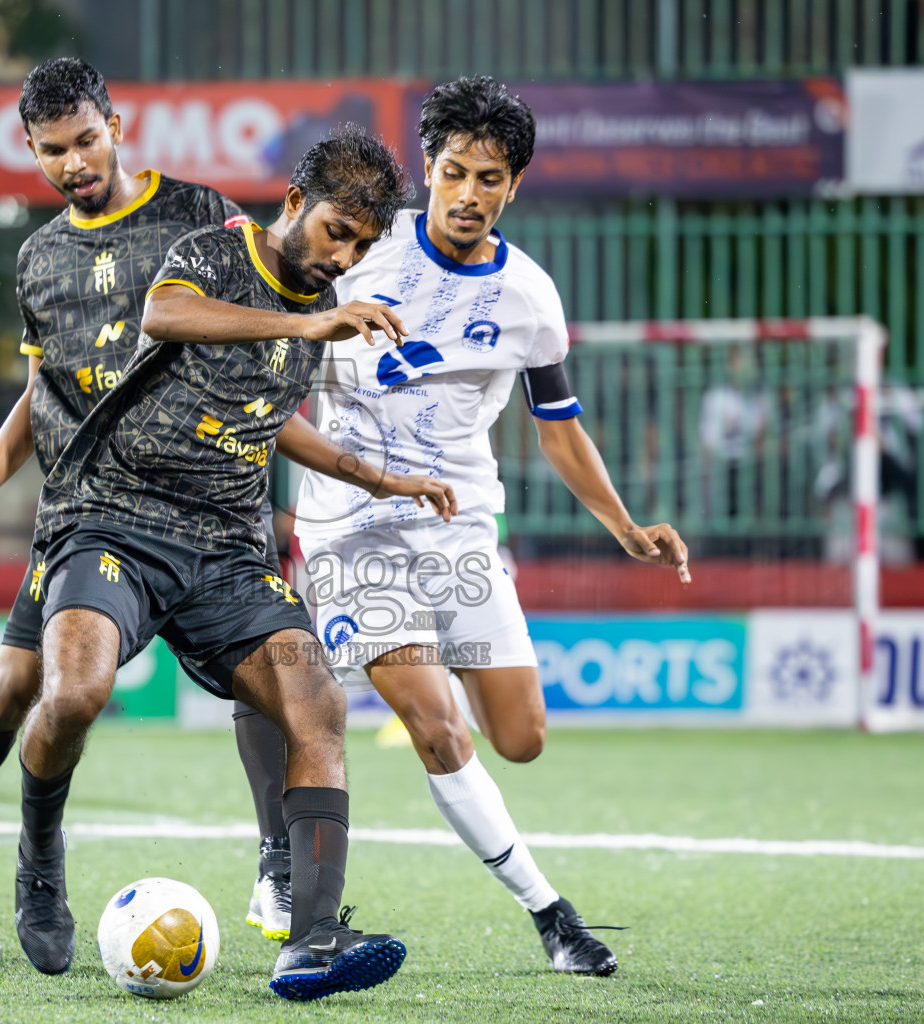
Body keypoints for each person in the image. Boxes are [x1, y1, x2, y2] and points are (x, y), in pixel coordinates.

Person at [0, 61, 449, 985]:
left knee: (302, 692)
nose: (73, 161)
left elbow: (254, 385)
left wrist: (371, 468)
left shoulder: (201, 219)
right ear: (31, 150)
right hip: (94, 504)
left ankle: (294, 897)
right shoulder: (40, 258)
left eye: (86, 140)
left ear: (117, 126)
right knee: (29, 695)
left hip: (218, 525)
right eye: (53, 150)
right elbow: (42, 394)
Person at [292, 77, 690, 977]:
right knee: (441, 728)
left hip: (460, 529)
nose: (470, 193)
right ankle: (553, 918)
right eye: (455, 172)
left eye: (492, 177)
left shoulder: (530, 299)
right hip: (349, 527)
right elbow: (279, 331)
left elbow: (562, 427)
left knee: (521, 738)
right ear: (426, 169)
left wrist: (624, 525)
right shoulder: (361, 248)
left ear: (516, 186)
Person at [13, 126, 414, 1000]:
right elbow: (166, 314)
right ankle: (40, 852)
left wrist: (375, 475)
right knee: (75, 693)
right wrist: (312, 318)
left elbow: (267, 414)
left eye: (360, 245)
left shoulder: (318, 303)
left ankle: (310, 942)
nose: (341, 255)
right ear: (294, 205)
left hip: (228, 546)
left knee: (316, 702)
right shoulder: (215, 254)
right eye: (334, 231)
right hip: (116, 519)